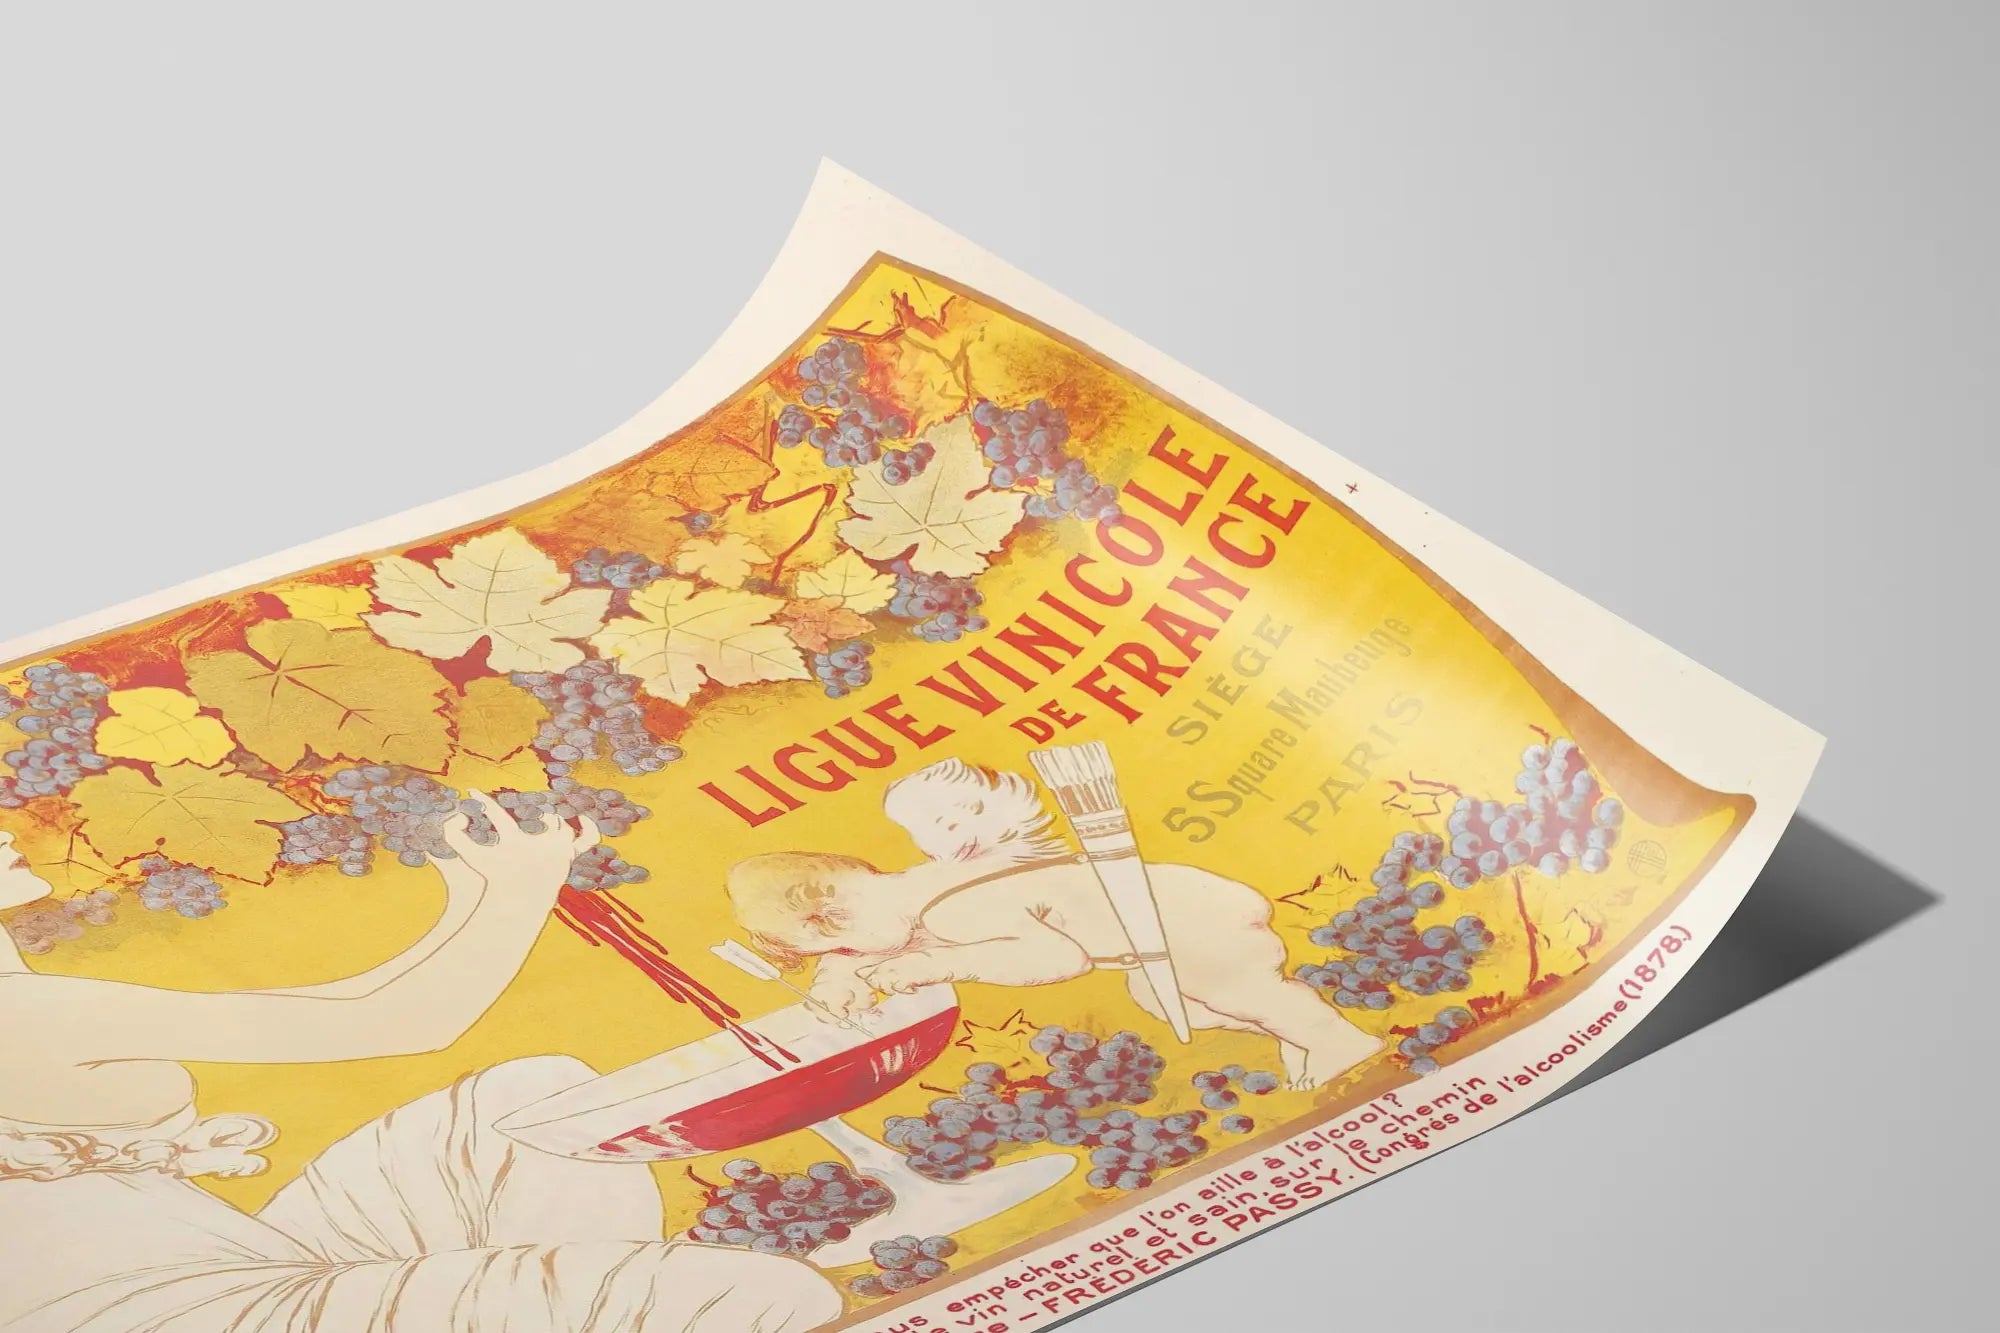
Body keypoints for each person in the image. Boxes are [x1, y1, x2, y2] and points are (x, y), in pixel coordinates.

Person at [0, 803, 841, 1333]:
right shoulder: (20, 1011)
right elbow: (406, 1019)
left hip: (247, 1267)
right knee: (765, 1296)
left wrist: (475, 895)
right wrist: (524, 885)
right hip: (210, 1314)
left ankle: (574, 1307)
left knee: (526, 1099)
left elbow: (343, 1000)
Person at [727, 760, 1381, 1091]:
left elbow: (1058, 959)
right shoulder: (909, 899)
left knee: (1229, 987)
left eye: (836, 943)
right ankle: (1296, 1031)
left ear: (834, 911)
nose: (846, 953)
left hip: (1179, 917)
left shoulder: (952, 906)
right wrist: (840, 979)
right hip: (1150, 939)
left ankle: (1335, 1038)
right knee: (1176, 1002)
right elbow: (870, 947)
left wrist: (938, 966)